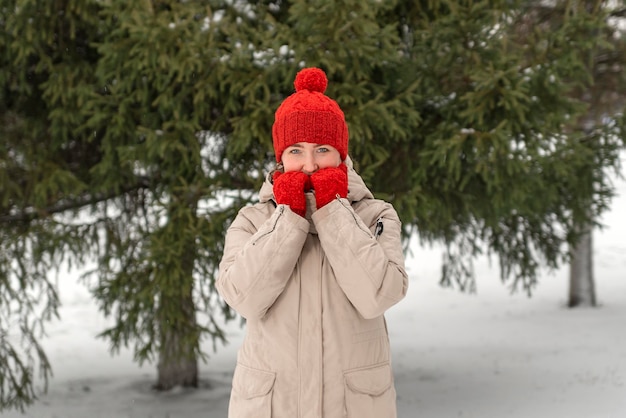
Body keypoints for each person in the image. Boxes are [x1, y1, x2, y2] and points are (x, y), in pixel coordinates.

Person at [216, 67, 408, 418]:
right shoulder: (253, 220)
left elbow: (379, 294)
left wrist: (334, 210)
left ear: (340, 153)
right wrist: (288, 217)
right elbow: (243, 298)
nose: (308, 164)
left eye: (321, 149)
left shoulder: (375, 216)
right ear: (280, 157)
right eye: (295, 150)